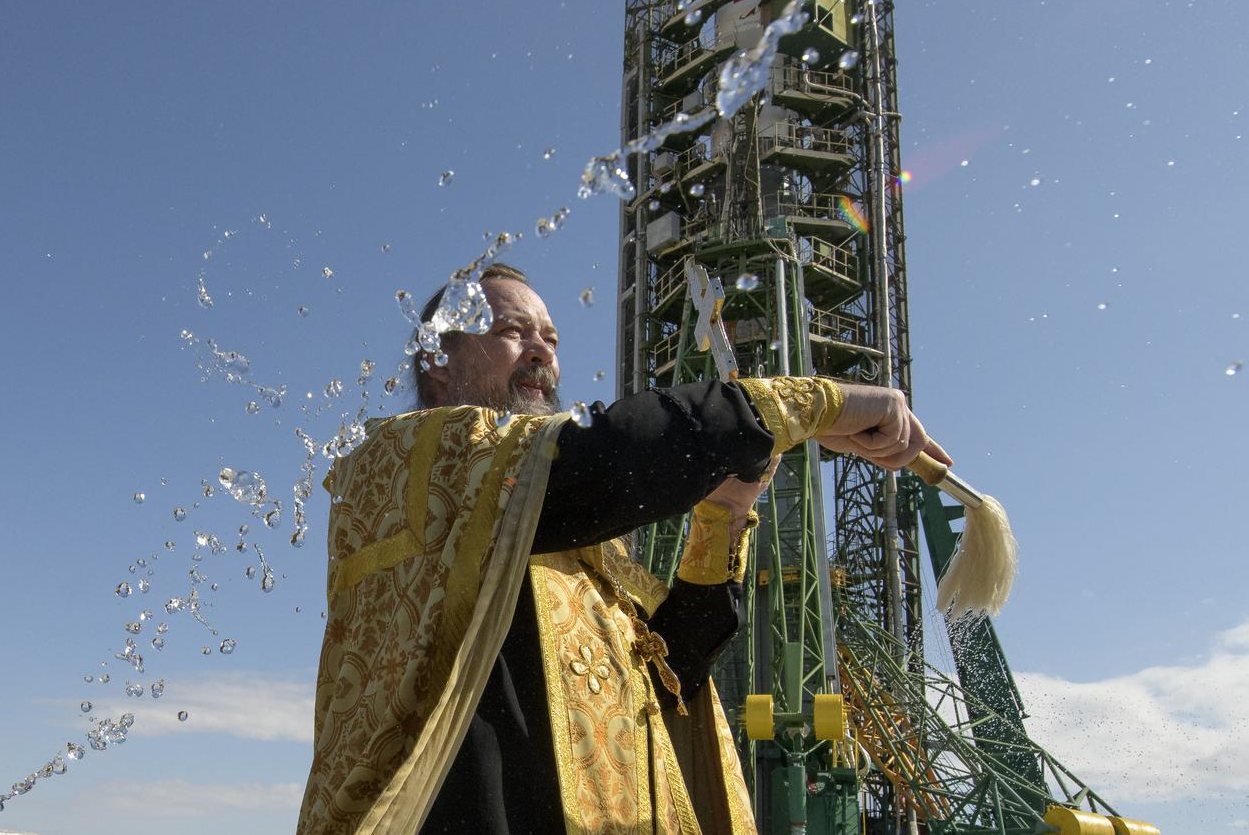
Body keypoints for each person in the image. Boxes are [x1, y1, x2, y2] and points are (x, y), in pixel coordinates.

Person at [297, 264, 950, 835]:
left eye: (550, 339)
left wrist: (724, 513)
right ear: (438, 365)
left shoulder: (572, 539)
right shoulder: (399, 461)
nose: (542, 355)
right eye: (511, 332)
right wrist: (809, 403)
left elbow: (666, 684)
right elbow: (605, 459)